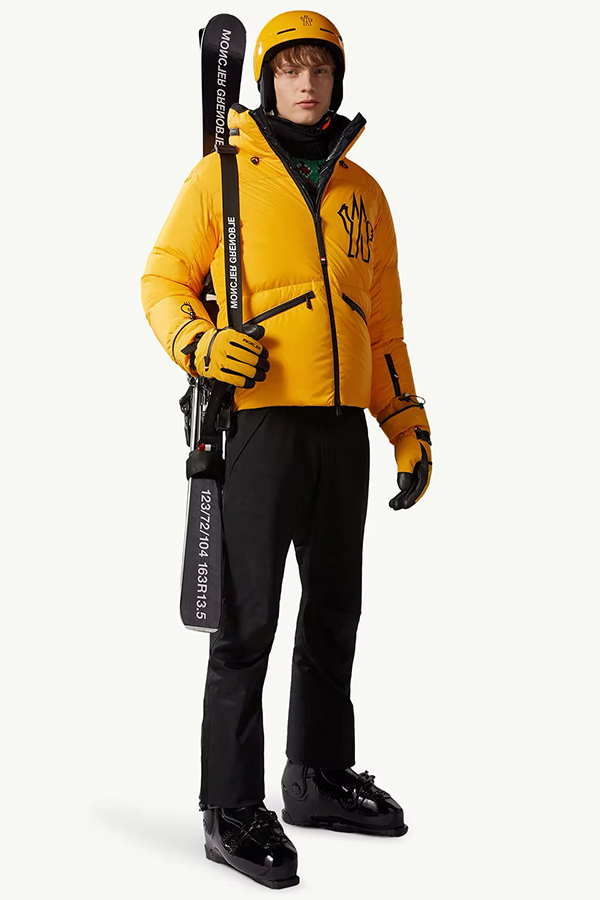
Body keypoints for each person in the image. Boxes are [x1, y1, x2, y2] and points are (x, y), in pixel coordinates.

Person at [141, 9, 432, 890]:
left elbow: (384, 328)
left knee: (335, 611)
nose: (307, 84)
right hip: (259, 424)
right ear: (267, 81)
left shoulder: (364, 195)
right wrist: (199, 344)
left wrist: (405, 422)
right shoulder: (221, 177)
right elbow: (161, 280)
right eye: (291, 69)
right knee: (246, 623)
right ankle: (230, 804)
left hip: (342, 433)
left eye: (321, 69)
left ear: (338, 80)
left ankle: (316, 776)